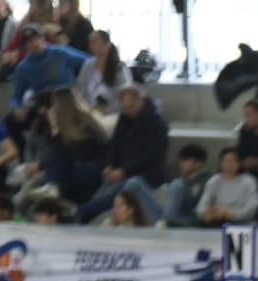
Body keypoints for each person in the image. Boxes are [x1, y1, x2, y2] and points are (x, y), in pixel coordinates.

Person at [78, 85, 169, 223]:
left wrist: (124, 171)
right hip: (121, 171)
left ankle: (83, 211)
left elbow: (150, 156)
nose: (129, 112)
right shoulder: (124, 119)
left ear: (140, 101)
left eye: (131, 107)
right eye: (125, 109)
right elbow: (115, 145)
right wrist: (110, 165)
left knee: (116, 194)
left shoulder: (155, 123)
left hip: (145, 175)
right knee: (103, 190)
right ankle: (86, 214)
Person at [10, 24, 92, 108]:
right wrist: (16, 109)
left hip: (70, 101)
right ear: (25, 46)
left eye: (37, 38)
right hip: (44, 108)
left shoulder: (60, 52)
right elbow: (16, 96)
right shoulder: (23, 68)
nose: (35, 43)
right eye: (29, 41)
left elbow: (89, 62)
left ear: (43, 38)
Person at [199, 146, 258, 226]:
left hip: (241, 223)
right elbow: (202, 205)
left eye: (232, 161)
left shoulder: (249, 181)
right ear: (221, 164)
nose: (228, 164)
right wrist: (205, 213)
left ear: (239, 163)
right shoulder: (214, 181)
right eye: (225, 161)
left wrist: (230, 213)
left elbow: (251, 209)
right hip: (216, 221)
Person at [158, 143, 215, 227]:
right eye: (181, 160)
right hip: (171, 217)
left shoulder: (208, 180)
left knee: (176, 185)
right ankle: (163, 223)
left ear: (198, 163)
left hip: (191, 219)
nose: (181, 163)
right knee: (135, 183)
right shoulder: (181, 181)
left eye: (185, 160)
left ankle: (165, 223)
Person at [74, 29, 125, 111]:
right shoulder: (88, 65)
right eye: (90, 42)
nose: (92, 45)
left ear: (107, 44)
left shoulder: (119, 68)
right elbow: (80, 90)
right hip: (90, 112)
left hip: (113, 113)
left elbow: (123, 94)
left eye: (95, 41)